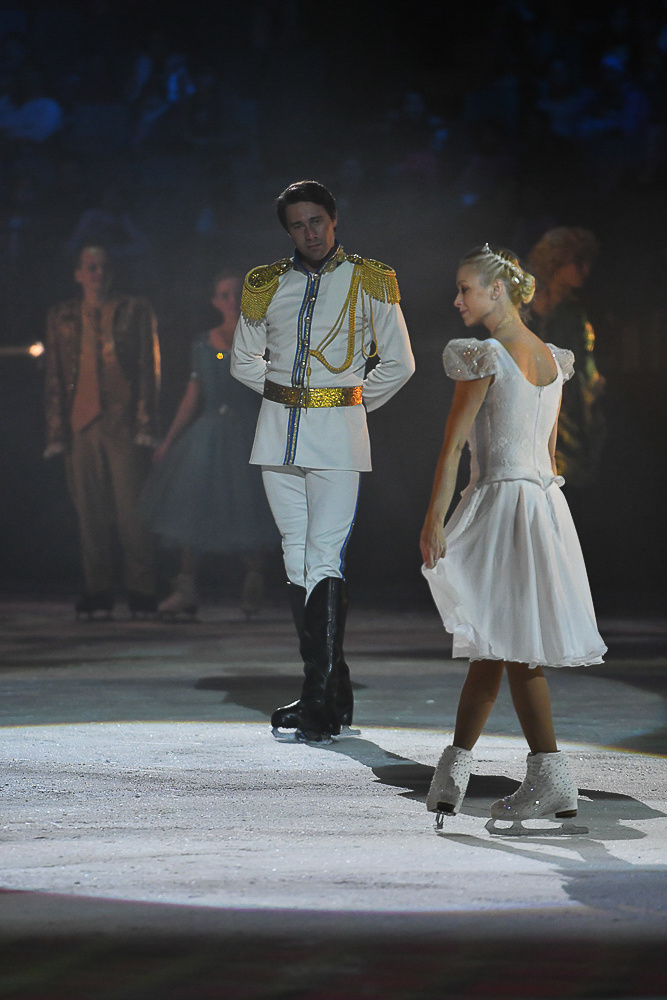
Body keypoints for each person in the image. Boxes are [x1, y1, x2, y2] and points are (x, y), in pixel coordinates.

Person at [420, 243, 606, 830]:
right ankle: (452, 777)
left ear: (496, 291)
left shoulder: (487, 356)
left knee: (510, 646)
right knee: (494, 645)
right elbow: (549, 456)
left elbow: (452, 447)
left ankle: (549, 779)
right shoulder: (552, 359)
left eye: (466, 288)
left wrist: (433, 518)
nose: (457, 299)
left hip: (504, 505)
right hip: (544, 509)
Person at [231, 179, 415, 743]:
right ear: (287, 230)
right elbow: (242, 360)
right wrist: (289, 395)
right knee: (295, 556)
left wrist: (346, 405)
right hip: (277, 438)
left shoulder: (371, 279)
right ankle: (330, 688)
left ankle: (319, 695)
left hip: (336, 438)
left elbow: (399, 364)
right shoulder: (266, 283)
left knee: (323, 555)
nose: (308, 232)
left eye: (317, 221)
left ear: (334, 220)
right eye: (297, 224)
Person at [139, 271, 277, 618]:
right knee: (192, 506)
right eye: (224, 294)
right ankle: (185, 588)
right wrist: (169, 441)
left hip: (250, 431)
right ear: (215, 301)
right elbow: (193, 393)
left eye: (237, 294)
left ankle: (253, 585)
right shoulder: (203, 343)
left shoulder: (265, 338)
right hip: (210, 432)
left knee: (255, 507)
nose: (231, 300)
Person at [44, 245, 160, 618]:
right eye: (90, 267)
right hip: (82, 422)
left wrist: (145, 421)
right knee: (89, 512)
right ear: (78, 273)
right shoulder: (61, 315)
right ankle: (98, 590)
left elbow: (147, 366)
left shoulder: (134, 309)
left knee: (131, 510)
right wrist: (57, 429)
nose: (97, 274)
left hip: (121, 419)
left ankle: (141, 589)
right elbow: (55, 374)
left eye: (103, 267)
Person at [526, 226, 606, 490]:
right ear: (556, 262)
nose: (586, 271)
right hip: (535, 409)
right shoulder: (525, 306)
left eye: (587, 262)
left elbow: (583, 369)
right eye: (577, 262)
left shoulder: (574, 312)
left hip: (569, 410)